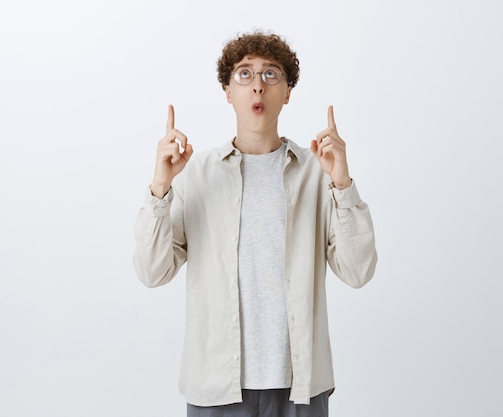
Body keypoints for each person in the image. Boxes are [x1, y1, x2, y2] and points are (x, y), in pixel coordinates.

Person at [133, 30, 377, 417]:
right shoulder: (196, 174)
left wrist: (342, 184)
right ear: (228, 91)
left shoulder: (317, 173)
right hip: (216, 386)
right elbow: (152, 271)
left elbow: (359, 270)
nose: (257, 87)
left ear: (288, 92)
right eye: (244, 74)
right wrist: (160, 186)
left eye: (271, 74)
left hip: (300, 386)